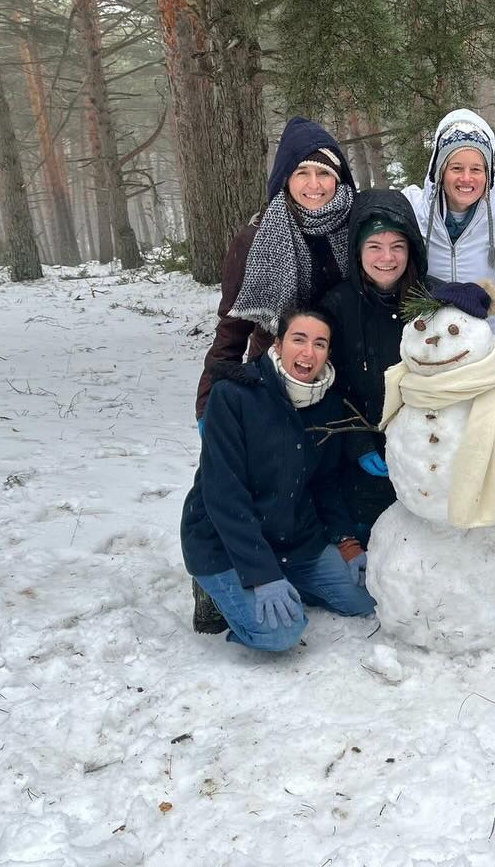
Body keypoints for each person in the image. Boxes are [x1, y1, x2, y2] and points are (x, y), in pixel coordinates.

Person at [191, 116, 355, 634]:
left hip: (336, 376)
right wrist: (212, 395)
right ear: (285, 178)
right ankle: (217, 576)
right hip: (272, 378)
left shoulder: (354, 227)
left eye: (324, 173)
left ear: (340, 180)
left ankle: (310, 561)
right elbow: (235, 320)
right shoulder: (258, 236)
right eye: (302, 172)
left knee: (319, 475)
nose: (313, 184)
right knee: (245, 472)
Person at [181, 307, 375, 653]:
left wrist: (346, 542)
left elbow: (325, 484)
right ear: (278, 343)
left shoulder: (328, 404)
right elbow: (224, 495)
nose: (307, 352)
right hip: (224, 544)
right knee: (281, 633)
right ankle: (221, 590)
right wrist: (262, 574)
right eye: (298, 339)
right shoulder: (233, 395)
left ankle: (281, 584)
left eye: (320, 343)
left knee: (366, 596)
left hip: (294, 542)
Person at [320, 189, 431, 549]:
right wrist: (359, 444)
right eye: (375, 247)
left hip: (424, 446)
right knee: (379, 543)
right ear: (357, 251)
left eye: (398, 246)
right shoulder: (337, 305)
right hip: (363, 446)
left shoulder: (433, 301)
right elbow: (330, 386)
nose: (387, 257)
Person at [404, 109, 495, 401]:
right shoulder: (413, 208)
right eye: (456, 167)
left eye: (477, 169)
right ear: (440, 169)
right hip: (435, 358)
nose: (467, 178)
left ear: (489, 173)